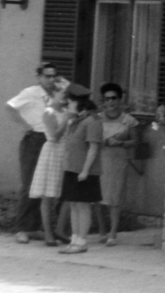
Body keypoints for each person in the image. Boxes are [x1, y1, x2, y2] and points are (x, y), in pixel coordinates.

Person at [5, 63, 60, 242]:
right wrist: (25, 125)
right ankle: (21, 228)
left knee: (43, 186)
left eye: (53, 76)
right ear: (39, 77)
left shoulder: (57, 94)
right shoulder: (31, 92)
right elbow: (10, 107)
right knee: (29, 184)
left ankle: (35, 227)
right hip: (35, 140)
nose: (51, 79)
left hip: (52, 140)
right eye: (47, 76)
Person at [28, 81, 76, 247]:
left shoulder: (66, 111)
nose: (65, 96)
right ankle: (48, 233)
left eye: (66, 93)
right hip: (53, 152)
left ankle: (60, 230)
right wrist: (68, 119)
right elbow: (54, 136)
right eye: (62, 93)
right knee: (48, 195)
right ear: (53, 94)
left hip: (66, 153)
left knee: (69, 194)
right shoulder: (48, 113)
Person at [57, 85, 102, 255]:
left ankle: (82, 241)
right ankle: (74, 239)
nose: (66, 106)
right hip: (72, 169)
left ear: (77, 102)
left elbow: (93, 148)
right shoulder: (76, 121)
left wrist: (85, 171)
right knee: (74, 204)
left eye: (68, 102)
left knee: (82, 206)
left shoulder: (93, 121)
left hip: (84, 171)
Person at [94, 82, 137, 245]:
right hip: (100, 160)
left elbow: (135, 142)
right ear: (103, 101)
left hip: (118, 161)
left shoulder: (129, 120)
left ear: (120, 100)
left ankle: (113, 232)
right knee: (99, 198)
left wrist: (120, 143)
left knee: (115, 198)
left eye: (114, 98)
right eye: (107, 99)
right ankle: (101, 230)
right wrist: (103, 141)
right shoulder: (97, 118)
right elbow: (92, 138)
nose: (110, 102)